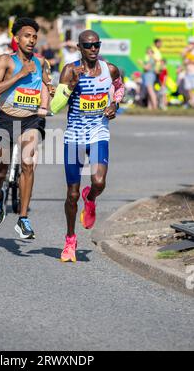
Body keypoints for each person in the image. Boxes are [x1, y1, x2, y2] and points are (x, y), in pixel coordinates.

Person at [50, 30, 125, 262]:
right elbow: (55, 106)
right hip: (74, 136)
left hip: (98, 131)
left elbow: (120, 88)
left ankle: (90, 198)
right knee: (71, 195)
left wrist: (115, 105)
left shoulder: (109, 69)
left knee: (99, 182)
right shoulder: (70, 70)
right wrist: (71, 85)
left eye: (96, 45)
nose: (93, 50)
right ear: (79, 47)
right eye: (88, 46)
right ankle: (70, 239)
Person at [0, 17, 51, 239]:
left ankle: (23, 219)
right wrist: (19, 75)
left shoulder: (41, 62)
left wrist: (46, 104)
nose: (31, 40)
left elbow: (45, 85)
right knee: (1, 170)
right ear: (16, 38)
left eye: (34, 36)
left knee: (28, 162)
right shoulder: (6, 60)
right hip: (6, 117)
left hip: (30, 120)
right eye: (27, 35)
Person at [182, 36, 194, 108]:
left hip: (193, 72)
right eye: (190, 43)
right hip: (187, 72)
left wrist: (189, 61)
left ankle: (192, 102)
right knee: (188, 88)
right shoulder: (187, 51)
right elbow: (182, 56)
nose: (191, 44)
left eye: (192, 43)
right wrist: (187, 50)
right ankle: (192, 101)